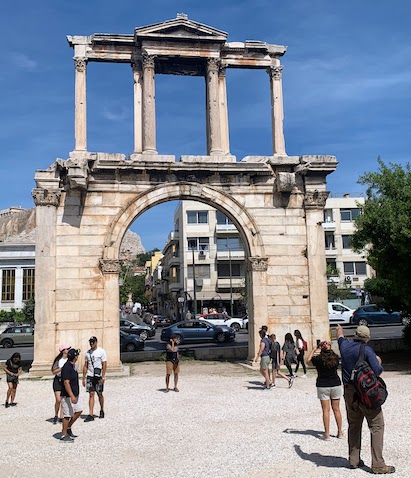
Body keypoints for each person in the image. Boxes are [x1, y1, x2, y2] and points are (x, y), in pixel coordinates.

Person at [337, 324, 395, 474]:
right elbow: (378, 371)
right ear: (367, 338)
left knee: (354, 424)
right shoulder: (367, 350)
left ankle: (354, 459)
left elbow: (340, 338)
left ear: (355, 335)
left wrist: (339, 329)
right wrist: (378, 360)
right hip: (365, 392)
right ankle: (378, 464)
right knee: (377, 425)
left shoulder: (344, 347)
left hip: (349, 392)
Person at [307, 340, 343, 440]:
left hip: (323, 385)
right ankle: (340, 432)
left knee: (325, 410)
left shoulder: (318, 359)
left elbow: (308, 362)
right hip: (335, 384)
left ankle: (327, 434)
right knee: (337, 409)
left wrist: (314, 349)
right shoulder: (335, 358)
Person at [60, 348, 83, 442]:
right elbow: (66, 382)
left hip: (75, 393)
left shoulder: (73, 366)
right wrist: (71, 395)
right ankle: (64, 434)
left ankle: (68, 427)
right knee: (67, 415)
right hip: (67, 395)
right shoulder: (67, 367)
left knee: (79, 410)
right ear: (75, 357)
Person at [82, 336, 107, 422]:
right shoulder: (87, 353)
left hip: (98, 375)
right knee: (91, 394)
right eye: (90, 342)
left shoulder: (101, 351)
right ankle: (91, 414)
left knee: (99, 393)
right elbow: (85, 365)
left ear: (96, 342)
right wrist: (83, 377)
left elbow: (104, 364)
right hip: (90, 375)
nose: (91, 343)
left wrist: (103, 376)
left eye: (93, 342)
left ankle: (102, 409)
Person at [51, 344, 70, 424]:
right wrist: (61, 369)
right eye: (67, 349)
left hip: (65, 380)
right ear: (63, 350)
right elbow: (53, 371)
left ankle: (62, 417)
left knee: (63, 400)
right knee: (58, 399)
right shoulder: (58, 360)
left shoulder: (69, 360)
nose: (68, 350)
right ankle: (56, 414)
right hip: (58, 380)